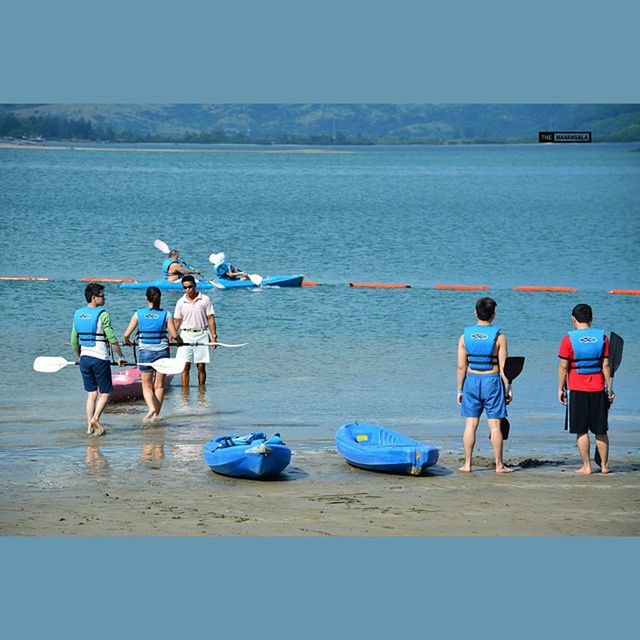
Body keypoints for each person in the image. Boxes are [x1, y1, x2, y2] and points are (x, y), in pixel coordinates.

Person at [456, 297, 513, 473]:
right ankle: (499, 465)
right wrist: (508, 387)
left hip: (471, 381)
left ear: (475, 313)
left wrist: (459, 389)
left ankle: (467, 464)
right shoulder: (500, 337)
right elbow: (504, 367)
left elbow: (460, 367)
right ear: (493, 315)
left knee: (470, 424)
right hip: (492, 381)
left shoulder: (464, 336)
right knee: (495, 425)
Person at [558, 303, 614, 474]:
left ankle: (587, 466)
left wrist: (560, 388)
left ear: (573, 319)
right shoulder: (603, 338)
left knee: (581, 430)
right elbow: (606, 366)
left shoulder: (568, 339)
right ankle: (604, 466)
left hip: (576, 389)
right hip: (598, 389)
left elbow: (563, 367)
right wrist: (609, 389)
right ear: (592, 319)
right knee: (600, 430)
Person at [71, 283, 127, 436]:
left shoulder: (77, 314)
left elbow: (73, 341)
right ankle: (95, 419)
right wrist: (121, 357)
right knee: (106, 393)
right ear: (94, 297)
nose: (105, 297)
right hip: (100, 359)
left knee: (91, 394)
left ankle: (89, 428)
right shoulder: (103, 315)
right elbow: (112, 339)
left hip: (85, 359)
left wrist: (80, 356)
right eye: (102, 295)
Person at [122, 286, 181, 420]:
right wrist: (180, 341)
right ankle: (156, 415)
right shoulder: (166, 314)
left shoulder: (138, 313)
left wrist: (128, 341)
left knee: (147, 385)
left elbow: (126, 334)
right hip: (162, 352)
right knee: (159, 385)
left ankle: (151, 408)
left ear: (146, 298)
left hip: (145, 353)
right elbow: (174, 334)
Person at [173, 275, 218, 387]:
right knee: (185, 366)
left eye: (190, 286)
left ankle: (201, 392)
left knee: (201, 366)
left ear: (195, 285)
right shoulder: (180, 302)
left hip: (202, 333)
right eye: (185, 287)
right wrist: (171, 337)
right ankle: (184, 394)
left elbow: (211, 318)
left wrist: (213, 336)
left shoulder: (205, 299)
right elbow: (177, 321)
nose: (188, 289)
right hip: (186, 335)